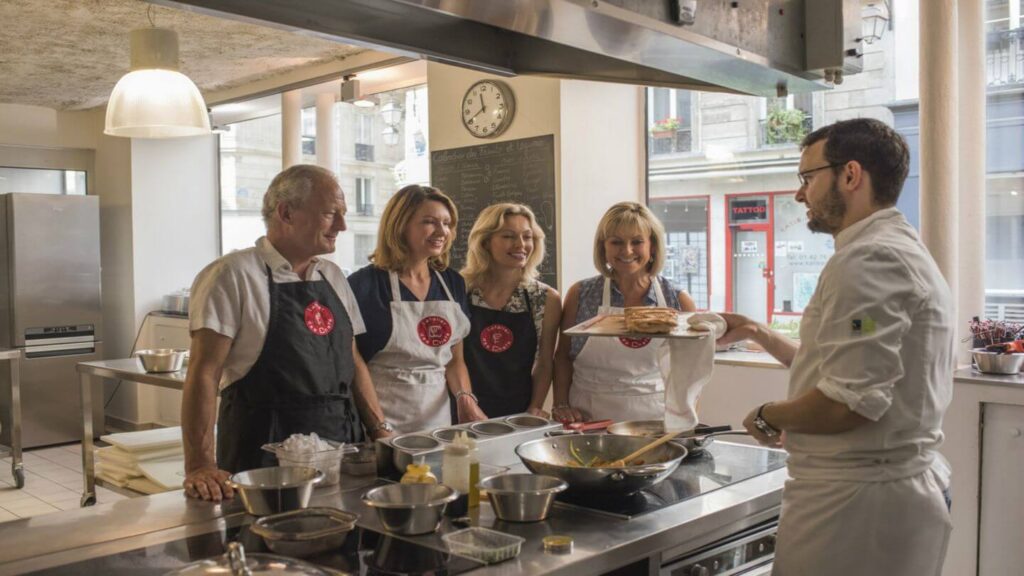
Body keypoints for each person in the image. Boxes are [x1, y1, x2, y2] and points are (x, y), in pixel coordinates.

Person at [716, 118, 954, 575]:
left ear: (850, 175)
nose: (799, 193)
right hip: (875, 495)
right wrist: (755, 331)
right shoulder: (888, 247)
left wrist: (769, 413)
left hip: (858, 505)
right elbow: (839, 365)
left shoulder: (869, 259)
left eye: (807, 177)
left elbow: (849, 403)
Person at [181, 165, 390, 501]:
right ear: (286, 212)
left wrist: (379, 430)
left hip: (339, 448)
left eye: (343, 214)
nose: (342, 226)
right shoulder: (232, 275)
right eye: (329, 214)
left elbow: (352, 361)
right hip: (263, 454)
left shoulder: (333, 276)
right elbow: (204, 372)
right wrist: (200, 464)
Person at [348, 185, 487, 434]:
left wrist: (465, 398)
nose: (442, 231)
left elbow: (455, 360)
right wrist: (378, 425)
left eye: (447, 223)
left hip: (437, 418)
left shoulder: (452, 282)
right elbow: (353, 362)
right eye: (429, 222)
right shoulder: (364, 285)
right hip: (382, 416)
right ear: (400, 225)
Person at [553, 202, 697, 423]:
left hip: (655, 419)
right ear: (603, 248)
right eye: (616, 242)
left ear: (653, 247)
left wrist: (687, 416)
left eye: (637, 242)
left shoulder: (677, 300)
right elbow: (563, 356)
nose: (627, 251)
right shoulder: (580, 294)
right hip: (588, 416)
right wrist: (560, 405)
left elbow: (690, 369)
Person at [460, 203, 561, 418]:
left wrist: (535, 407)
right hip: (463, 409)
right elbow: (453, 358)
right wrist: (467, 404)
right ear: (485, 242)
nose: (521, 245)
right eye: (508, 236)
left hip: (518, 413)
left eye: (527, 236)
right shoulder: (461, 290)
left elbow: (544, 362)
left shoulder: (545, 298)